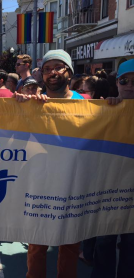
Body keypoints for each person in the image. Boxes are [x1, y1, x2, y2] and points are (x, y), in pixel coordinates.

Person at [25, 50, 83, 278]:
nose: (52, 73)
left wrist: (115, 106)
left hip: (74, 185)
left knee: (70, 246)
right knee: (36, 245)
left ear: (69, 72)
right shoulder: (34, 104)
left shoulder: (85, 104)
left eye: (58, 67)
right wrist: (22, 105)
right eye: (47, 69)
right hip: (40, 185)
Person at [90, 59, 134, 278]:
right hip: (109, 190)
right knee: (105, 242)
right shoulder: (106, 108)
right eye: (125, 80)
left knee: (131, 248)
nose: (130, 85)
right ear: (117, 83)